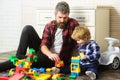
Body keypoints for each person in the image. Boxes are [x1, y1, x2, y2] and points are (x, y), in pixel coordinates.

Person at [0, 1, 79, 73]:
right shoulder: (50, 25)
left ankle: (14, 62)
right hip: (46, 52)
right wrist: (50, 54)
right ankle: (19, 56)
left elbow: (79, 41)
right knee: (28, 29)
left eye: (65, 18)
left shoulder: (73, 24)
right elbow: (43, 45)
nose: (62, 20)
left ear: (68, 15)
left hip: (55, 59)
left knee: (28, 60)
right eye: (60, 17)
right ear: (55, 15)